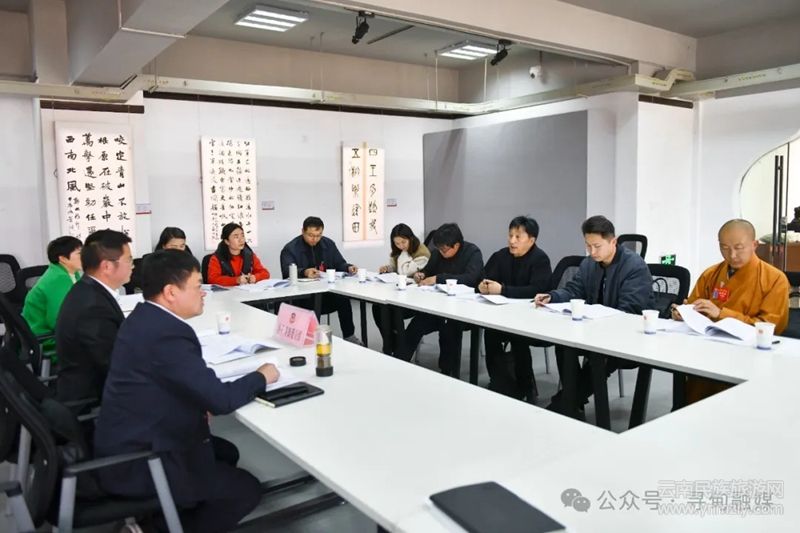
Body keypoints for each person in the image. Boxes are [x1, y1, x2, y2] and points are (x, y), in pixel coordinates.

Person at [94, 250, 279, 533]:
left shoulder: (145, 318)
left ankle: (169, 514)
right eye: (197, 285)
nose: (203, 292)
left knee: (226, 453)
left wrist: (199, 400)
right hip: (143, 460)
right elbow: (221, 400)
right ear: (170, 292)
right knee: (245, 490)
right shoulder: (167, 334)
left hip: (129, 437)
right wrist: (261, 376)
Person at [533, 216, 654, 414]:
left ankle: (565, 403)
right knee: (564, 345)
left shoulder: (634, 266)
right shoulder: (589, 264)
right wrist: (552, 296)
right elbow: (574, 290)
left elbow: (630, 310)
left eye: (597, 246)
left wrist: (599, 323)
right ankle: (572, 403)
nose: (592, 252)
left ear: (613, 242)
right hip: (595, 330)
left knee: (600, 356)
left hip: (626, 336)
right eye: (588, 246)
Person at [672, 218, 790, 403]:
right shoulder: (710, 274)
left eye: (739, 247)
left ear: (754, 245)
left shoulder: (774, 279)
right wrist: (684, 314)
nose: (732, 255)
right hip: (707, 353)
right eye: (724, 248)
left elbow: (770, 327)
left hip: (750, 359)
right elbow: (695, 306)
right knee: (696, 402)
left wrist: (721, 314)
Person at [395, 223, 483, 376]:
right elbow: (428, 270)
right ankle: (399, 362)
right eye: (439, 249)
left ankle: (448, 372)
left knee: (449, 328)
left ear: (456, 245)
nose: (441, 252)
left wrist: (438, 278)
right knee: (416, 324)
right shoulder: (438, 253)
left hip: (464, 310)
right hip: (437, 307)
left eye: (444, 249)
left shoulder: (472, 253)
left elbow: (471, 279)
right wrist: (422, 274)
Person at [55, 230, 133, 403]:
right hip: (93, 397)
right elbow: (115, 365)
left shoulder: (88, 290)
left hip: (94, 381)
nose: (132, 266)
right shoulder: (93, 308)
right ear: (107, 266)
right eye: (129, 260)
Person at [481, 216, 552, 400]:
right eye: (510, 235)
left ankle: (525, 388)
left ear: (531, 240)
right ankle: (501, 383)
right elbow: (483, 278)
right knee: (490, 333)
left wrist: (503, 290)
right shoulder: (501, 256)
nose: (512, 241)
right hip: (503, 315)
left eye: (518, 237)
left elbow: (537, 290)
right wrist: (482, 286)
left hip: (532, 318)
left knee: (518, 337)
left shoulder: (540, 259)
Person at [279, 216, 362, 344]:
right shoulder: (290, 249)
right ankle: (311, 338)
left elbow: (339, 263)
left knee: (343, 298)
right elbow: (286, 271)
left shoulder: (328, 244)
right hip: (303, 297)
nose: (315, 239)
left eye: (318, 235)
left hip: (325, 295)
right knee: (312, 302)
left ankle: (349, 335)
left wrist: (348, 267)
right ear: (303, 231)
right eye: (311, 235)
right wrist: (304, 272)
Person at [372, 224, 431, 351]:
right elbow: (395, 268)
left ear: (411, 238)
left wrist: (403, 253)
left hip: (415, 297)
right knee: (377, 307)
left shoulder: (422, 252)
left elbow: (405, 271)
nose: (401, 246)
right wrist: (388, 268)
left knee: (393, 310)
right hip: (399, 293)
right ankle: (390, 342)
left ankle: (396, 346)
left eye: (403, 242)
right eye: (397, 243)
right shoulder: (397, 251)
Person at [21, 236, 83, 353]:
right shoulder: (58, 279)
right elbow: (59, 321)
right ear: (63, 258)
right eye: (79, 253)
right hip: (47, 342)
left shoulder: (72, 273)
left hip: (51, 335)